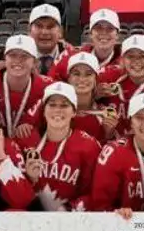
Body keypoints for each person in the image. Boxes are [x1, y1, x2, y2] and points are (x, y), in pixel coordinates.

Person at [16, 83, 101, 211]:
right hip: (30, 218)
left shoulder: (89, 146)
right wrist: (30, 180)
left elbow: (94, 192)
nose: (57, 110)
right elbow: (11, 194)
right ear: (43, 111)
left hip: (71, 222)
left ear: (74, 112)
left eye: (64, 105)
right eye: (52, 104)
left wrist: (69, 211)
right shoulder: (26, 140)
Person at [49, 9, 122, 82]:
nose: (104, 33)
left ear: (117, 35)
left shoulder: (126, 63)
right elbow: (49, 83)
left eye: (110, 29)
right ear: (90, 34)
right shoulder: (70, 56)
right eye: (98, 28)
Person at [27, 4, 70, 75]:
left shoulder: (72, 58)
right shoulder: (16, 59)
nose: (44, 32)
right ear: (29, 30)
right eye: (39, 26)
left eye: (50, 27)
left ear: (60, 31)